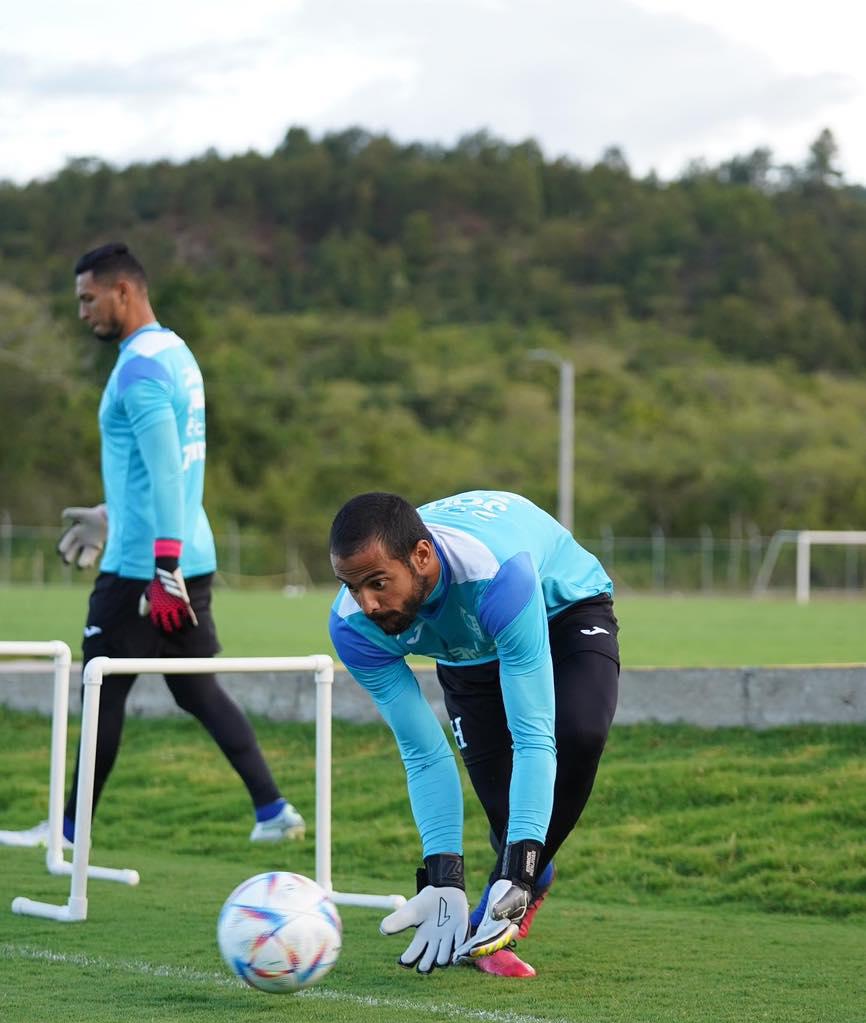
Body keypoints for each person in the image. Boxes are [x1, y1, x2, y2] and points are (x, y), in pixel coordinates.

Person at [22, 241, 305, 849]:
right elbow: (159, 470)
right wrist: (110, 513)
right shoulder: (174, 353)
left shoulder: (139, 370)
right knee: (196, 686)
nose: (83, 312)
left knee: (100, 685)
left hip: (145, 567)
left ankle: (67, 832)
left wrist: (162, 566)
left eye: (88, 298)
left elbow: (168, 470)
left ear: (123, 291)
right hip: (182, 554)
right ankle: (272, 809)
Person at [328, 489, 619, 978]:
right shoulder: (354, 628)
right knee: (510, 820)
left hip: (559, 610)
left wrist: (516, 872)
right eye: (352, 587)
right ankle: (530, 873)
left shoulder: (498, 573)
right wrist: (442, 878)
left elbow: (533, 735)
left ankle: (514, 891)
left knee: (580, 732)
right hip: (469, 653)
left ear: (422, 557)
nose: (368, 603)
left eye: (378, 583)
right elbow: (423, 754)